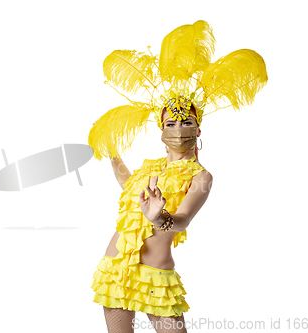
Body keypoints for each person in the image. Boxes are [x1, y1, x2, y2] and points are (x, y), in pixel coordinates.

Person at [88, 20, 267, 332]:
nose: (178, 129)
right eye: (170, 124)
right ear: (161, 132)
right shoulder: (150, 168)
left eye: (185, 122)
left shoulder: (202, 176)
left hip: (156, 275)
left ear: (198, 129)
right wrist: (112, 153)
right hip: (116, 268)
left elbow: (183, 218)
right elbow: (128, 184)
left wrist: (161, 217)